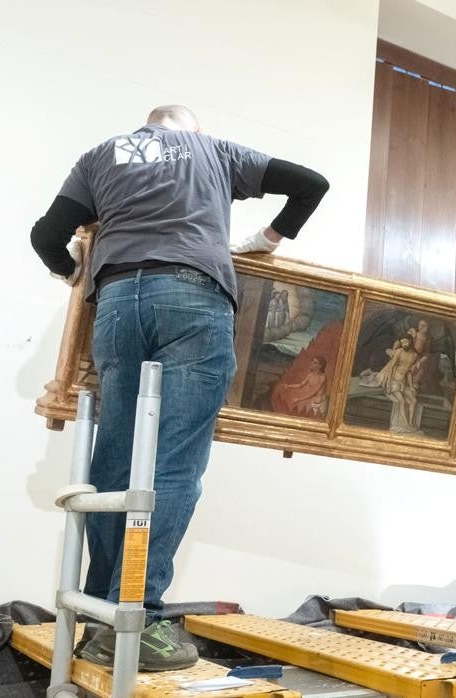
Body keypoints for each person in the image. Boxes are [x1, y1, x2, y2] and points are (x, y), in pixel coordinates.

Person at [29, 105, 328, 670]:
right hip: (194, 296)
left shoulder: (101, 155)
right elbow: (312, 185)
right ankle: (134, 614)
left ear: (149, 125)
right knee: (174, 465)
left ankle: (99, 614)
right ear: (189, 128)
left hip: (116, 304)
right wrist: (266, 239)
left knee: (114, 460)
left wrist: (74, 276)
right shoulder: (214, 150)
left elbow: (45, 236)